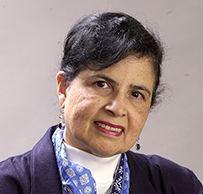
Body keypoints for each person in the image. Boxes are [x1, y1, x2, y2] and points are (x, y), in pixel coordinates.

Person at [0, 12, 202, 194]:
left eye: (136, 94)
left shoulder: (178, 185)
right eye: (102, 84)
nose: (117, 108)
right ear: (63, 88)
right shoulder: (7, 184)